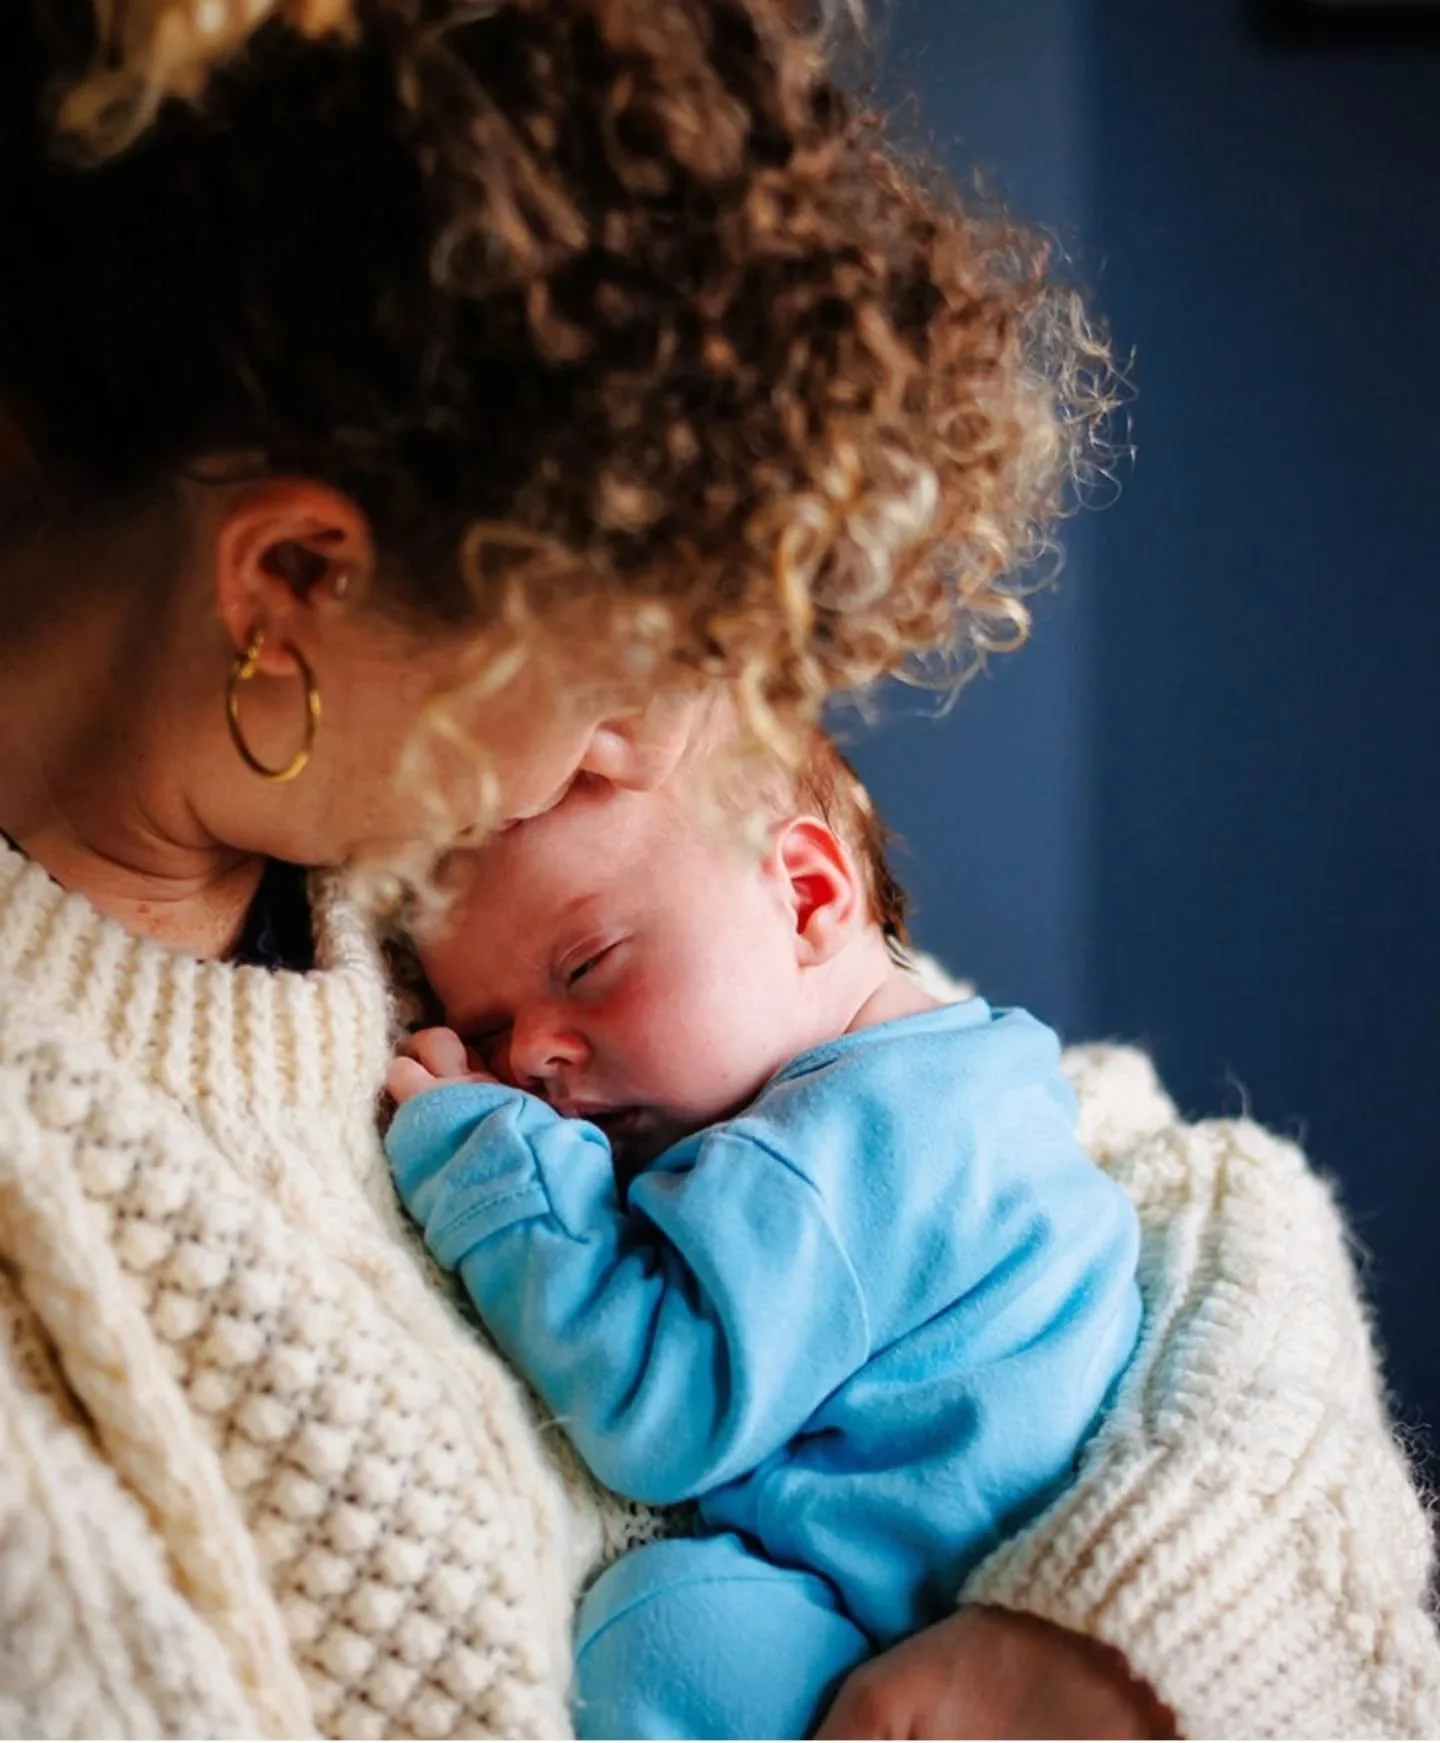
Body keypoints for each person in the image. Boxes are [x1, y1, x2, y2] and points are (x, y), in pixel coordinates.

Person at [0, 1, 1434, 1738]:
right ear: (293, 575)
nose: (666, 721)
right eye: (613, 650)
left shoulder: (451, 837)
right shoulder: (467, 899)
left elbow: (1180, 1196)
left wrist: (1125, 1638)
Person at [384, 733, 1144, 1739]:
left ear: (808, 894)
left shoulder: (823, 1151)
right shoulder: (972, 1069)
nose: (531, 1056)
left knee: (668, 1630)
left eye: (588, 965)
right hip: (981, 1601)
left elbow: (659, 1415)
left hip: (894, 1628)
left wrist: (491, 1168)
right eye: (486, 1031)